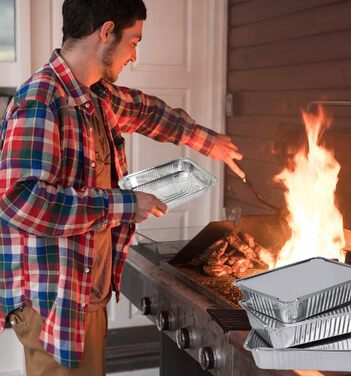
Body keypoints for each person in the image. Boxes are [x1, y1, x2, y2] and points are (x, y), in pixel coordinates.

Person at [0, 0, 244, 374]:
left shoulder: (94, 96)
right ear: (107, 31)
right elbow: (22, 201)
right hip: (54, 303)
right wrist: (127, 206)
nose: (134, 54)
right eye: (133, 41)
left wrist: (209, 142)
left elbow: (146, 111)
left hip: (85, 294)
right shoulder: (41, 98)